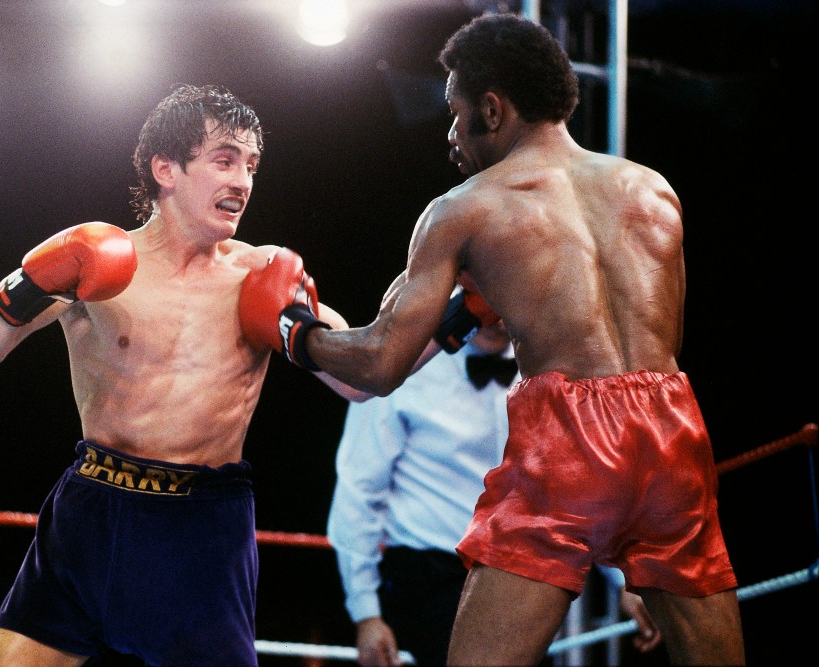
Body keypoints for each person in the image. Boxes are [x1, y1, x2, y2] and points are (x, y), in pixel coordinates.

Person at [242, 12, 745, 666]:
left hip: (569, 442)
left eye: (455, 114)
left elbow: (379, 362)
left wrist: (292, 332)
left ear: (492, 107)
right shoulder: (654, 191)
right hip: (674, 433)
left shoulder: (466, 207)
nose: (451, 135)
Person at [0, 83, 360, 667]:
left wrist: (444, 323)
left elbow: (360, 379)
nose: (242, 181)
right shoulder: (97, 266)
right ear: (166, 168)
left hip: (201, 528)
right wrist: (30, 285)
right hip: (90, 511)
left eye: (250, 165)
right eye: (224, 160)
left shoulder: (261, 274)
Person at [327, 322, 662, 667]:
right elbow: (358, 491)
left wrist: (624, 579)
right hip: (429, 577)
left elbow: (582, 486)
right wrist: (366, 613)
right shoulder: (402, 368)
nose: (494, 317)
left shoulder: (552, 370)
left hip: (521, 573)